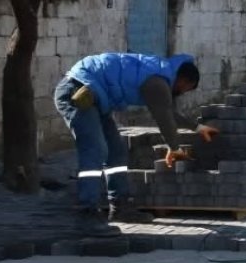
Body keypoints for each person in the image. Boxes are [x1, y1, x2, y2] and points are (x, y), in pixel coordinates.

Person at [54, 52, 218, 235]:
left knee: (116, 152)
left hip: (97, 99)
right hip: (76, 91)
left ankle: (120, 206)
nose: (182, 92)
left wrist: (197, 127)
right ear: (183, 80)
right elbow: (164, 119)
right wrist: (175, 148)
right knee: (96, 149)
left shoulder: (160, 75)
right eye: (186, 89)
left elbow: (168, 111)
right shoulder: (157, 83)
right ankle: (86, 210)